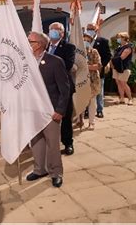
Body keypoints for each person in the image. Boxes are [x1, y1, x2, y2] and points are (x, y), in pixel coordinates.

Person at [26, 32, 70, 188]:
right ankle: (39, 170)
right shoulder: (26, 62)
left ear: (38, 44)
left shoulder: (54, 61)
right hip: (31, 110)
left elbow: (65, 89)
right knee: (36, 141)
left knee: (53, 144)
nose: (27, 42)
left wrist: (60, 110)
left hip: (51, 111)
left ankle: (56, 172)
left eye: (29, 40)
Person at [48, 22, 76, 155]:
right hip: (47, 88)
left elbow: (68, 66)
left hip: (63, 87)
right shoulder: (45, 46)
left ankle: (68, 143)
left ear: (62, 33)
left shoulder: (69, 47)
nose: (54, 31)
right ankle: (49, 143)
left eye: (57, 29)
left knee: (65, 117)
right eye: (51, 29)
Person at [77, 31, 102, 130]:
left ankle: (92, 122)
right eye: (84, 40)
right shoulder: (77, 52)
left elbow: (98, 66)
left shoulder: (94, 51)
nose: (85, 41)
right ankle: (80, 120)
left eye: (88, 40)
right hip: (80, 79)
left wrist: (86, 67)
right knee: (81, 101)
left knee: (92, 101)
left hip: (92, 79)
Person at [86, 23, 111, 118]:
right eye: (88, 28)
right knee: (87, 91)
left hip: (98, 70)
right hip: (86, 71)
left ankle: (99, 110)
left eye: (92, 28)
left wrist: (100, 66)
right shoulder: (84, 40)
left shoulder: (103, 41)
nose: (90, 30)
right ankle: (87, 111)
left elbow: (108, 56)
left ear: (96, 30)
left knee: (99, 91)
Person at [111, 32, 133, 105]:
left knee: (123, 83)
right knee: (118, 83)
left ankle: (130, 99)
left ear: (124, 38)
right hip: (117, 67)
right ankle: (122, 98)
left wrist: (112, 60)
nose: (118, 39)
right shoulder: (119, 47)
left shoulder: (128, 47)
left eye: (119, 38)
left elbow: (122, 57)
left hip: (124, 68)